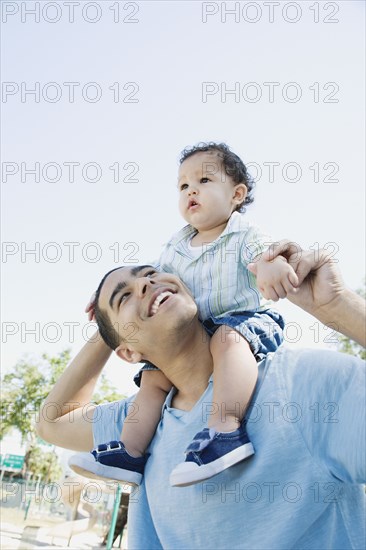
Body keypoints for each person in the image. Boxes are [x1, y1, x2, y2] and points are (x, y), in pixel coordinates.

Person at [36, 245, 366, 549]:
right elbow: (52, 421)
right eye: (124, 297)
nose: (146, 285)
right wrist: (108, 331)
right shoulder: (141, 423)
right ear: (126, 353)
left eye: (152, 274)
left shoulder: (298, 383)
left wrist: (339, 306)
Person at [81, 142, 299, 487]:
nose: (191, 190)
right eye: (183, 186)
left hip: (244, 322)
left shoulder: (244, 233)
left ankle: (225, 429)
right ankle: (131, 451)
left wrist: (272, 267)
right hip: (200, 332)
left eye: (204, 180)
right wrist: (105, 298)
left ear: (236, 195)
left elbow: (266, 257)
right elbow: (146, 282)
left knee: (228, 341)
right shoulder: (176, 246)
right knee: (153, 379)